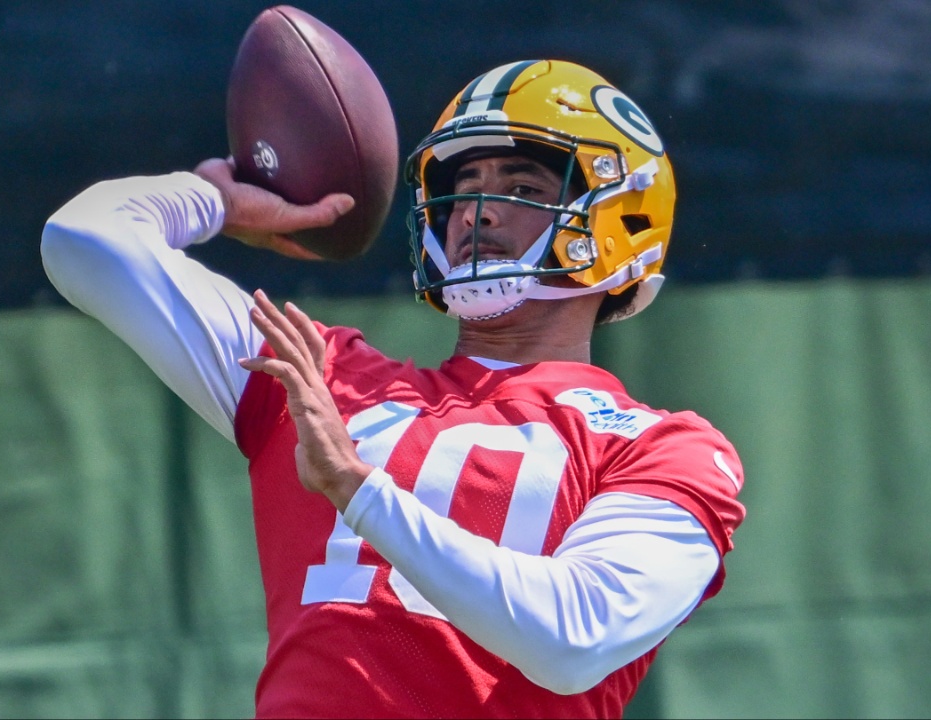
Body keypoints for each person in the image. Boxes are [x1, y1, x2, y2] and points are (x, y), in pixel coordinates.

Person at [41, 59, 745, 719]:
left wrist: (359, 491)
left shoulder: (666, 446)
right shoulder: (318, 372)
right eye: (461, 190)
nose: (478, 212)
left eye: (523, 188)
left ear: (620, 218)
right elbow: (85, 239)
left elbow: (574, 637)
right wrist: (214, 202)